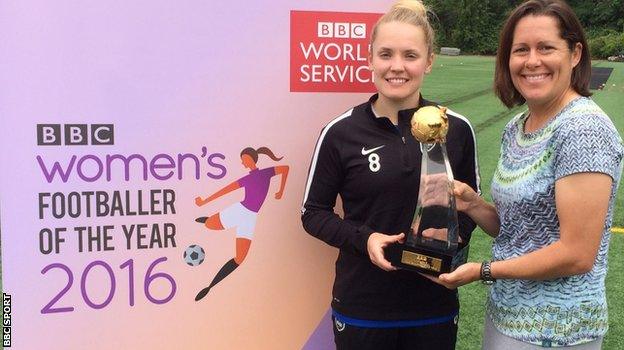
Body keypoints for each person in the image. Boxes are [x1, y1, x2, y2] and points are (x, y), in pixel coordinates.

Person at [433, 0, 624, 348]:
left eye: (546, 48)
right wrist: (474, 204)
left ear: (575, 53)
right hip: (507, 317)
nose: (532, 61)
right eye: (521, 50)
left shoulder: (583, 129)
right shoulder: (517, 127)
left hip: (558, 330)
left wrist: (484, 270)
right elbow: (519, 232)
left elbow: (577, 254)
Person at [301, 1, 480, 349]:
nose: (397, 67)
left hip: (434, 306)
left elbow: (470, 207)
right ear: (369, 59)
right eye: (386, 54)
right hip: (363, 305)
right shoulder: (340, 133)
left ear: (428, 61)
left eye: (410, 55)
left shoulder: (456, 129)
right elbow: (313, 213)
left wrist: (452, 238)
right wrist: (364, 239)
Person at [194, 146, 289, 301]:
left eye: (244, 160)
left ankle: (209, 287)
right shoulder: (246, 179)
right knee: (210, 225)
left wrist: (281, 190)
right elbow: (226, 190)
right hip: (238, 211)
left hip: (251, 217)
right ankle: (207, 220)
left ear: (251, 159)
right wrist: (204, 201)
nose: (243, 164)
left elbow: (285, 169)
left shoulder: (265, 173)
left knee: (240, 258)